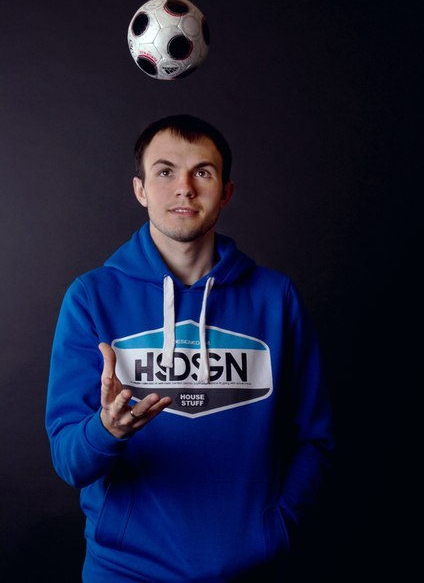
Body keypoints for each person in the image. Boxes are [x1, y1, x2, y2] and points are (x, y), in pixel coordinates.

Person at [46, 114, 334, 582]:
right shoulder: (91, 297)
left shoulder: (275, 297)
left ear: (226, 192)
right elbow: (68, 461)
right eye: (165, 171)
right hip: (124, 571)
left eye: (202, 172)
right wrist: (106, 429)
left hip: (253, 568)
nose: (184, 188)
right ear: (140, 189)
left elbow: (313, 438)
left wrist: (276, 530)